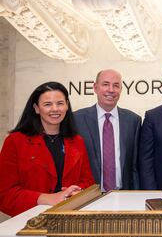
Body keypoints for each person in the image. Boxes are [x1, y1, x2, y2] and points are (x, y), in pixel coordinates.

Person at [0, 82, 94, 217]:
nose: (55, 109)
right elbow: (5, 194)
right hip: (29, 222)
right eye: (47, 104)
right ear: (36, 108)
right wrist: (47, 198)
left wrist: (78, 192)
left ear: (67, 105)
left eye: (60, 103)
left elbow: (87, 182)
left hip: (70, 219)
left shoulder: (77, 141)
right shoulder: (16, 141)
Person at [74, 69, 142, 191]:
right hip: (88, 196)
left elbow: (135, 166)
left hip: (124, 195)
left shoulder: (133, 121)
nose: (111, 90)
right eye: (105, 84)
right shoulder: (77, 119)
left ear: (121, 89)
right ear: (95, 88)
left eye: (116, 85)